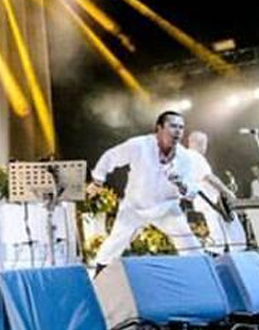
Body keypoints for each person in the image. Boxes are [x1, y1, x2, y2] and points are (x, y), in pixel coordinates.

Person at [88, 110, 205, 273]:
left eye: (181, 127)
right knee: (114, 243)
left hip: (166, 208)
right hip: (135, 207)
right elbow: (111, 156)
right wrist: (98, 180)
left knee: (190, 244)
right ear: (159, 128)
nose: (178, 131)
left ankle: (201, 274)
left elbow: (192, 189)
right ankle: (99, 276)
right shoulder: (139, 145)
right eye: (173, 126)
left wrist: (182, 185)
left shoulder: (184, 157)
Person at [185, 131, 247, 251]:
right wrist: (227, 192)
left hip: (202, 200)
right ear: (202, 143)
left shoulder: (185, 158)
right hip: (212, 201)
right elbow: (209, 177)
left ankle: (218, 253)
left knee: (216, 232)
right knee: (231, 232)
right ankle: (236, 254)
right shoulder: (195, 157)